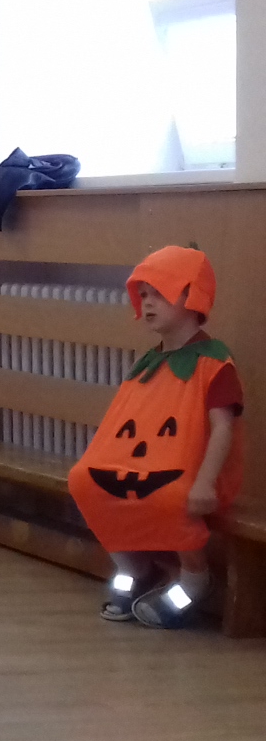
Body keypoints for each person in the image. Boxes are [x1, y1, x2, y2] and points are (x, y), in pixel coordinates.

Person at [67, 246, 243, 629]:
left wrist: (205, 482)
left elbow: (223, 428)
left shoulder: (215, 363)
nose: (147, 303)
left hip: (191, 472)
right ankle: (135, 570)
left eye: (159, 293)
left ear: (192, 296)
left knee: (170, 496)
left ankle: (194, 581)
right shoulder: (147, 364)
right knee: (86, 481)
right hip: (141, 463)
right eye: (143, 294)